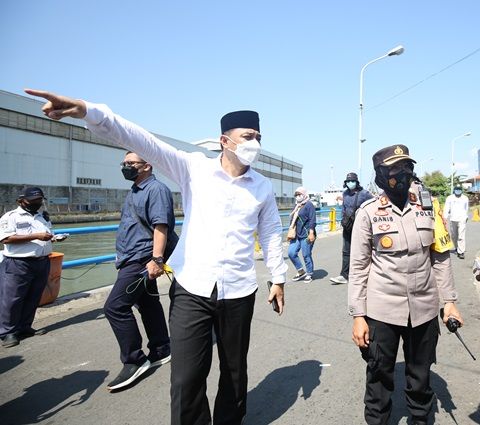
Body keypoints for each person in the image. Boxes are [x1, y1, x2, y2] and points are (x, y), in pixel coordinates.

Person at [26, 89, 288, 425]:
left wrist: (278, 277)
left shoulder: (262, 186)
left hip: (239, 291)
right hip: (192, 289)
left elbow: (270, 234)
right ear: (225, 140)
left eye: (259, 137)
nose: (255, 143)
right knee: (186, 378)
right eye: (248, 136)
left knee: (235, 373)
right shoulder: (193, 169)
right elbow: (143, 139)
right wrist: (90, 111)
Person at [349, 144, 463, 425]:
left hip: (424, 309)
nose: (403, 174)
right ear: (380, 175)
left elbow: (440, 257)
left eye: (407, 167)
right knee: (378, 377)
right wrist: (358, 316)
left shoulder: (429, 207)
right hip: (381, 310)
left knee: (420, 377)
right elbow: (358, 267)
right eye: (395, 169)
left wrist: (449, 303)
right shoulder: (368, 212)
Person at [103, 151, 179, 391]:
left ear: (147, 165)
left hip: (142, 258)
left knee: (115, 307)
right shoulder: (136, 189)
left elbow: (161, 226)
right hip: (131, 256)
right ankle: (161, 348)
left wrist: (156, 259)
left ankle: (134, 361)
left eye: (131, 163)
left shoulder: (156, 190)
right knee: (146, 302)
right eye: (124, 163)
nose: (126, 167)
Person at [0, 187, 66, 348]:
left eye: (40, 200)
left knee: (33, 296)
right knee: (12, 299)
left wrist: (54, 238)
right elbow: (6, 239)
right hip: (18, 263)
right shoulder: (11, 217)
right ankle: (7, 332)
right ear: (21, 201)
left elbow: (47, 234)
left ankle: (24, 327)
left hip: (41, 261)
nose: (37, 203)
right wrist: (36, 236)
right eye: (33, 200)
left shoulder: (42, 216)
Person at [330, 172, 373, 285]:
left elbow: (374, 204)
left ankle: (366, 273)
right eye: (348, 181)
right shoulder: (345, 194)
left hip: (361, 227)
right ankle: (344, 275)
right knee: (346, 251)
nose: (350, 183)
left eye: (352, 181)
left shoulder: (364, 194)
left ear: (357, 182)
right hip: (347, 226)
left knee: (363, 250)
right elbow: (344, 208)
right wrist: (342, 220)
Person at [287, 186, 316, 283]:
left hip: (307, 234)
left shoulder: (309, 205)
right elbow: (292, 220)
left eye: (299, 194)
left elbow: (312, 219)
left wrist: (311, 233)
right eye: (296, 195)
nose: (297, 196)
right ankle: (301, 271)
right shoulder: (296, 206)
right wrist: (290, 233)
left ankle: (309, 273)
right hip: (296, 235)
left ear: (304, 194)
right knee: (291, 253)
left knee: (306, 254)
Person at [444, 186, 469, 259]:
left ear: (461, 190)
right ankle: (456, 247)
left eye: (459, 189)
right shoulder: (450, 198)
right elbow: (446, 208)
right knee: (454, 236)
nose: (458, 191)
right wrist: (445, 217)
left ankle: (461, 252)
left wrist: (466, 217)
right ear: (454, 190)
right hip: (453, 218)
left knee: (461, 236)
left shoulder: (465, 198)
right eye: (457, 189)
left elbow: (466, 208)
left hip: (462, 219)